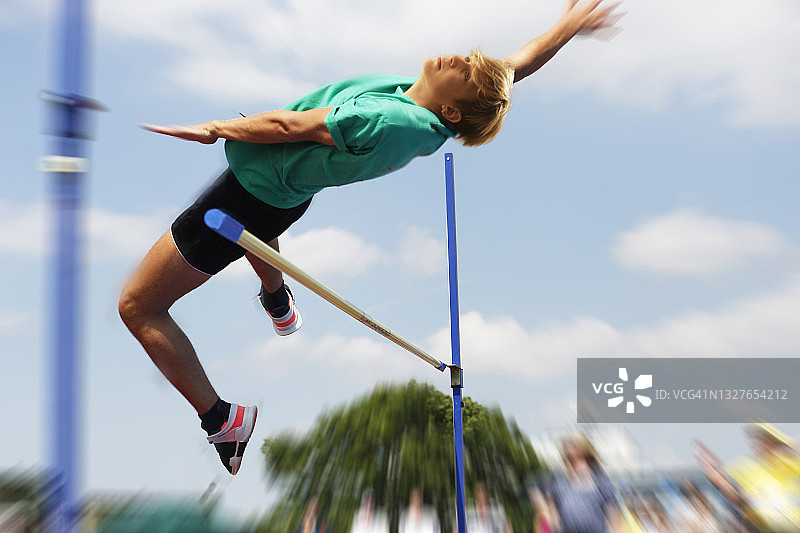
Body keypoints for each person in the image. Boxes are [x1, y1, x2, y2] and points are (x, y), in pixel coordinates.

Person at [118, 0, 623, 475]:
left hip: (246, 198)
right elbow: (518, 64)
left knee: (139, 307)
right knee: (262, 232)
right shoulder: (440, 110)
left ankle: (222, 420)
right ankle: (278, 299)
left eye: (464, 71)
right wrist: (569, 27)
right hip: (284, 192)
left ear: (452, 109)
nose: (460, 60)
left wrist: (215, 127)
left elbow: (287, 125)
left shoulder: (385, 119)